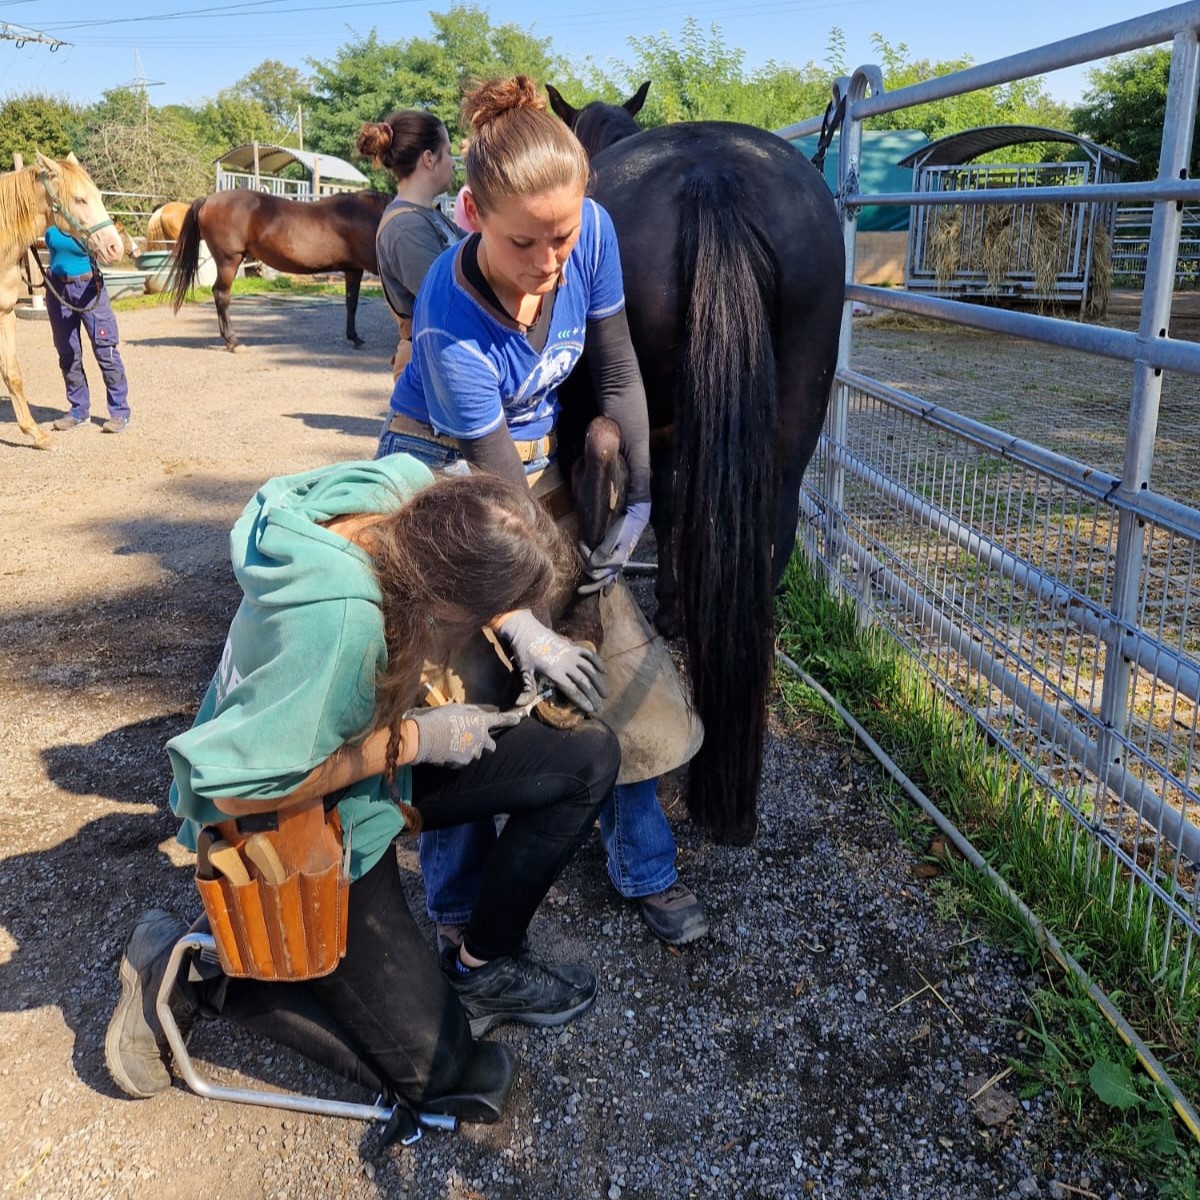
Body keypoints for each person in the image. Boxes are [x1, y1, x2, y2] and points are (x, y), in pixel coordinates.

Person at [104, 458, 619, 1109]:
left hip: (343, 743)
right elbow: (244, 790)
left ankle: (479, 968)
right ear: (447, 595)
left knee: (587, 760)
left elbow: (465, 513)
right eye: (484, 609)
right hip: (290, 815)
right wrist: (420, 740)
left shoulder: (399, 491)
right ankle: (197, 971)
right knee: (449, 1077)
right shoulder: (342, 624)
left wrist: (525, 625)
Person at [376, 76, 708, 948]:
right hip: (447, 478)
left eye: (563, 234)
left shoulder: (587, 233)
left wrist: (634, 503)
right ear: (473, 215)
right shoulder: (450, 326)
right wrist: (527, 623)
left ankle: (645, 865)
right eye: (526, 242)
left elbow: (620, 370)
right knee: (466, 679)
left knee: (604, 645)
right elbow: (496, 500)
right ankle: (456, 909)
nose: (550, 260)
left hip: (530, 462)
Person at [355, 109, 463, 379]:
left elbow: (478, 248)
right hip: (432, 369)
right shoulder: (405, 228)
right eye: (447, 152)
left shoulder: (429, 216)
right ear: (428, 159)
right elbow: (450, 303)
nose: (452, 162)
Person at [43, 224, 131, 433]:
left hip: (88, 287)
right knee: (67, 352)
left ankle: (120, 411)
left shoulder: (86, 219)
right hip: (57, 289)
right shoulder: (49, 219)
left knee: (105, 351)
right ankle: (78, 410)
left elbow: (111, 249)